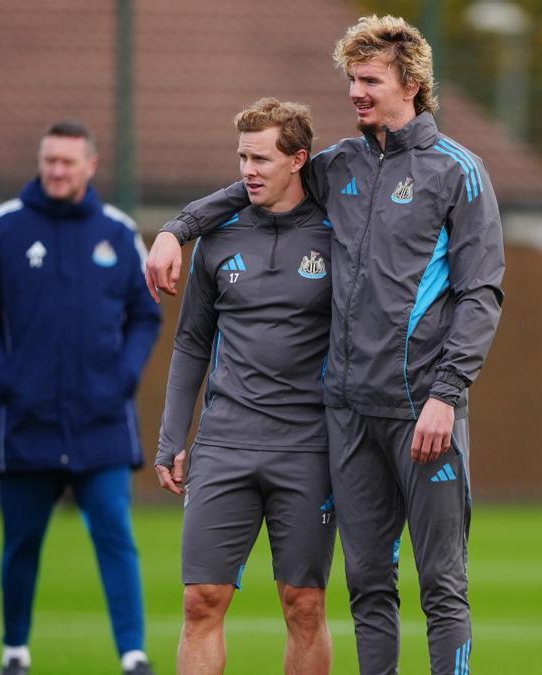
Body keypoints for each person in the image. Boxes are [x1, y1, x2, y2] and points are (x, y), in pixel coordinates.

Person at [145, 15, 505, 674]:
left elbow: (481, 296)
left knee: (444, 588)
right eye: (352, 81)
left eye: (369, 80)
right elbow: (259, 181)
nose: (356, 93)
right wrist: (178, 229)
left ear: (412, 83)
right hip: (346, 416)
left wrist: (447, 394)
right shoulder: (337, 163)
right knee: (368, 588)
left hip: (425, 413)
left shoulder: (460, 171)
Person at [0, 119, 161, 675]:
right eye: (49, 160)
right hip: (26, 421)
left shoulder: (118, 233)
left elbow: (146, 314)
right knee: (20, 543)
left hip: (101, 422)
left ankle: (133, 655)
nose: (56, 170)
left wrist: (122, 376)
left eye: (68, 162)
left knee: (116, 536)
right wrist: (6, 380)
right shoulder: (4, 228)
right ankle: (15, 651)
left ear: (90, 166)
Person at [154, 98, 335, 674]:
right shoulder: (217, 239)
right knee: (200, 601)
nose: (247, 170)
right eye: (242, 157)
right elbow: (190, 344)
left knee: (303, 605)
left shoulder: (340, 234)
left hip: (309, 448)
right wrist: (170, 436)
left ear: (298, 159)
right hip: (225, 443)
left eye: (261, 158)